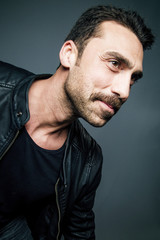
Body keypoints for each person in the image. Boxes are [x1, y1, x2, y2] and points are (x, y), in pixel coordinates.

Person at [0, 5, 154, 240]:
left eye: (132, 78)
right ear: (69, 54)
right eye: (114, 63)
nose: (124, 92)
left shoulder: (88, 161)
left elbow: (80, 234)